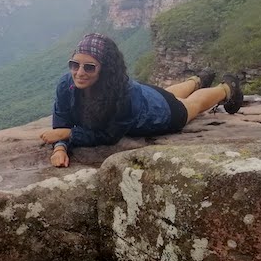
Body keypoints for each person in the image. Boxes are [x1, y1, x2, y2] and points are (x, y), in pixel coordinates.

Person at [41, 32, 243, 167]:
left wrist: (69, 134)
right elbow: (61, 120)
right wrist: (60, 147)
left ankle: (225, 88)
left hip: (159, 113)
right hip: (148, 93)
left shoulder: (123, 94)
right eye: (74, 64)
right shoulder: (66, 84)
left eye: (89, 67)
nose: (79, 73)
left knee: (192, 105)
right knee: (167, 93)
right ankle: (197, 80)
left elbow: (109, 135)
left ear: (105, 69)